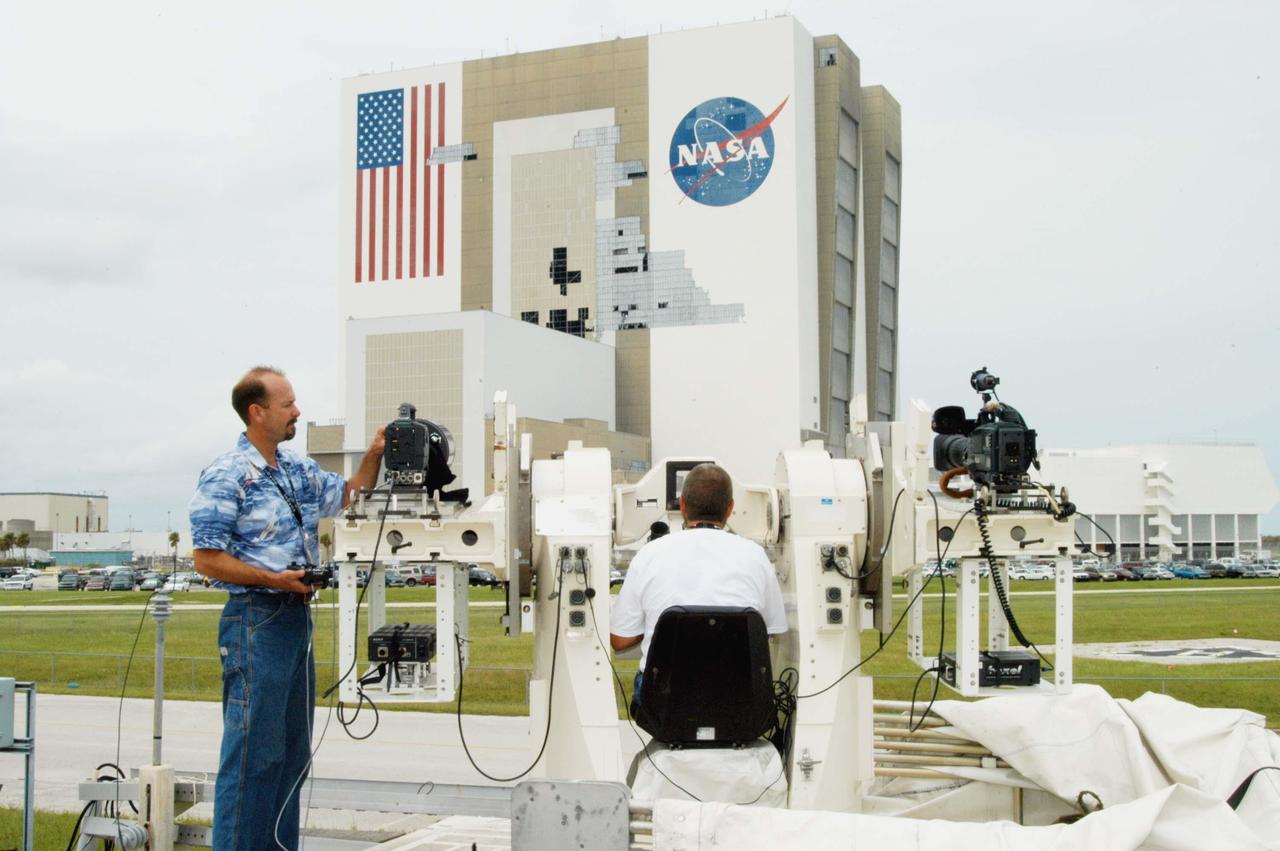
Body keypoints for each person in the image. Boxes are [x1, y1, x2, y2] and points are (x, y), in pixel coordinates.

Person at [189, 366, 385, 851]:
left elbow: (348, 493)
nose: (297, 411)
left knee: (291, 755)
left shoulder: (295, 468)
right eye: (287, 405)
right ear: (257, 413)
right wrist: (271, 578)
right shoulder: (227, 474)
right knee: (253, 755)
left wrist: (377, 454)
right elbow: (206, 559)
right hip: (255, 620)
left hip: (295, 620)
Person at [610, 463, 788, 704]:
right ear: (730, 508)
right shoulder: (756, 556)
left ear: (682, 504)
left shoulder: (649, 555)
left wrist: (659, 627)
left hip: (664, 706)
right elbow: (769, 629)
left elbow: (620, 641)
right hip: (740, 702)